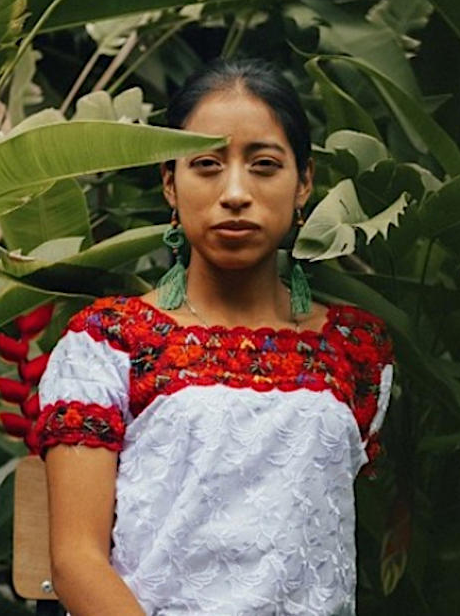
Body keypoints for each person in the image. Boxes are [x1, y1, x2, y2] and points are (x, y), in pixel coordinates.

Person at [37, 58, 395, 615]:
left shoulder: (358, 348)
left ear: (304, 184)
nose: (234, 192)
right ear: (170, 186)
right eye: (206, 164)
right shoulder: (109, 343)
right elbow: (75, 560)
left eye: (264, 165)